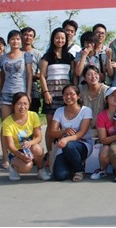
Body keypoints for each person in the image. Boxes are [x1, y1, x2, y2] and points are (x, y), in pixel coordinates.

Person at [0, 30, 33, 169]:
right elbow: (1, 77)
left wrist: (28, 93)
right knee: (5, 127)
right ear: (8, 41)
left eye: (18, 39)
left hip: (21, 94)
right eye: (13, 39)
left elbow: (29, 75)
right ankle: (5, 157)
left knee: (23, 125)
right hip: (6, 94)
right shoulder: (3, 58)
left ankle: (25, 154)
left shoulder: (26, 55)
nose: (15, 41)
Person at [40, 27, 75, 160]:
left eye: (62, 38)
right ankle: (50, 153)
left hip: (66, 96)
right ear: (53, 39)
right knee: (51, 126)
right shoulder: (47, 56)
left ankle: (61, 153)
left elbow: (73, 76)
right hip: (51, 95)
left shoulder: (69, 57)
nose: (60, 40)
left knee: (64, 125)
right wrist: (46, 93)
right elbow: (42, 76)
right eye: (57, 38)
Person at [48, 85, 94, 182]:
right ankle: (73, 164)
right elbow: (52, 132)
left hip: (83, 144)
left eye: (72, 94)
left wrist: (66, 139)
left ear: (78, 96)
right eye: (65, 94)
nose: (68, 97)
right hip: (64, 146)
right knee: (60, 176)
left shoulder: (86, 111)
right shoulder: (59, 111)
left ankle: (79, 170)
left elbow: (81, 133)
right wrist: (64, 131)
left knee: (69, 145)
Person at [1, 92, 51, 181]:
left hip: (30, 148)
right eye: (19, 104)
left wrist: (30, 142)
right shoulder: (7, 122)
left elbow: (39, 137)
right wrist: (21, 156)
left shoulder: (33, 115)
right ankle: (13, 167)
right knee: (27, 167)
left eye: (25, 104)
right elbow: (10, 146)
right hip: (16, 151)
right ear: (13, 105)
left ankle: (40, 170)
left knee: (38, 149)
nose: (22, 107)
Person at [91, 87, 116, 180]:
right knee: (105, 150)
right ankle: (103, 170)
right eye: (113, 95)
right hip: (110, 143)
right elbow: (103, 140)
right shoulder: (102, 116)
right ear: (106, 99)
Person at [79, 65, 109, 130]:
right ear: (84, 78)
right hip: (84, 128)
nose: (93, 76)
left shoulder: (106, 90)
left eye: (95, 74)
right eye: (89, 74)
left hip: (102, 128)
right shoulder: (81, 90)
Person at [21, 26, 42, 113]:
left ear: (33, 38)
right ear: (21, 36)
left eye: (31, 36)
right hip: (18, 88)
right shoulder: (16, 53)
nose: (28, 37)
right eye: (25, 35)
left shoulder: (37, 54)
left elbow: (44, 73)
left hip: (33, 90)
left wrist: (31, 76)